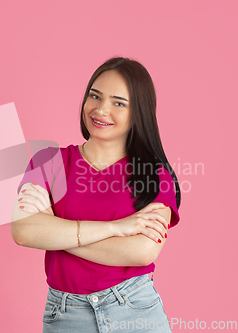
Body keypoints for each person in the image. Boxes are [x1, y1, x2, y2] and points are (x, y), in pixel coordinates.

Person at [11, 56, 181, 333]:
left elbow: (142, 251)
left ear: (139, 112)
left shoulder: (153, 173)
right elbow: (22, 231)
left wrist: (55, 233)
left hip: (135, 310)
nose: (101, 110)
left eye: (118, 103)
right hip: (65, 315)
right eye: (95, 96)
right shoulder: (49, 161)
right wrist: (116, 228)